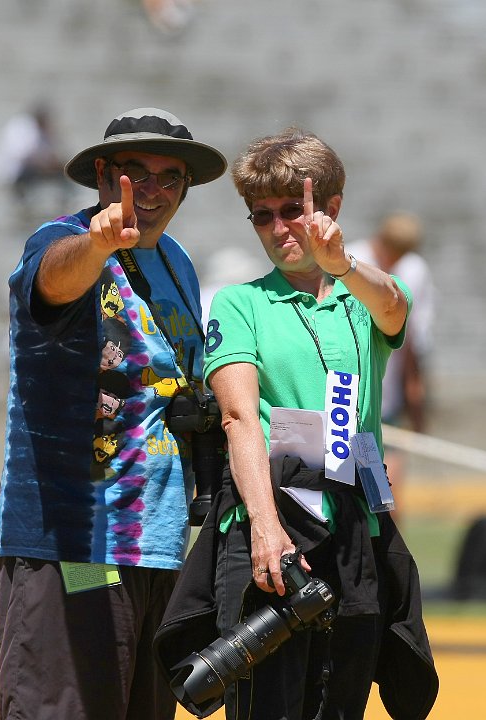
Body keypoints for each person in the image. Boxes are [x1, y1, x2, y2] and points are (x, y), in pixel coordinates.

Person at [155, 127, 438, 720]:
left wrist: (344, 264)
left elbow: (394, 307)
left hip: (355, 529)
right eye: (262, 216)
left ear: (331, 208)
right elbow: (237, 416)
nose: (279, 228)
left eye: (294, 210)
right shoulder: (240, 303)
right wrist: (264, 527)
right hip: (273, 529)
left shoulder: (364, 296)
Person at [0, 107, 227, 720]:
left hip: (162, 546)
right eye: (134, 172)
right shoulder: (60, 242)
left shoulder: (177, 261)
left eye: (168, 177)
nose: (150, 191)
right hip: (74, 546)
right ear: (103, 174)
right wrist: (98, 243)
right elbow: (52, 282)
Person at [349, 213, 434, 520]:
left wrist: (416, 400)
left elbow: (415, 344)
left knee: (386, 499)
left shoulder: (415, 272)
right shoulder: (350, 260)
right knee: (358, 497)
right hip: (352, 400)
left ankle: (387, 562)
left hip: (388, 404)